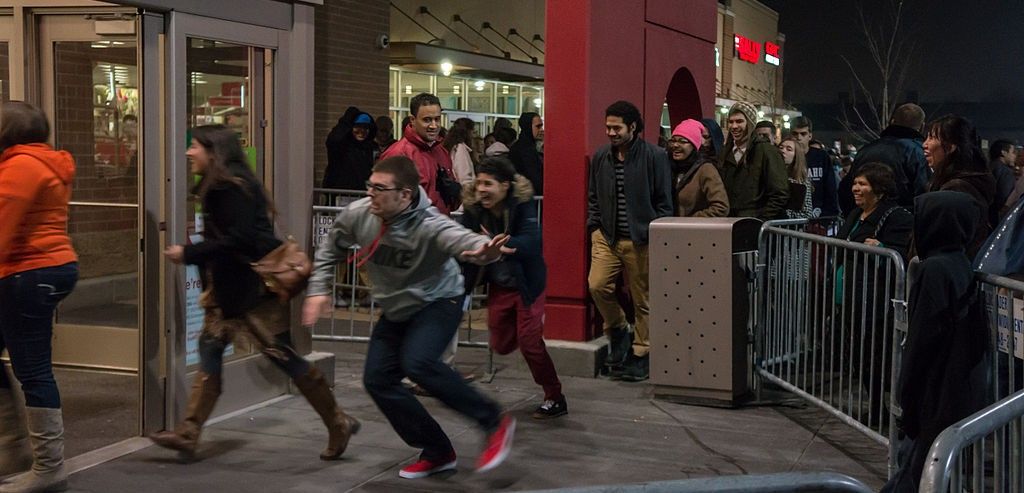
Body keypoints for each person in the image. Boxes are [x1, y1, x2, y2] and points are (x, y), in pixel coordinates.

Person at [150, 125, 360, 463]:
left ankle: (338, 422)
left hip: (252, 293)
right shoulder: (225, 183)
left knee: (285, 357)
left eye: (195, 147)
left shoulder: (231, 187)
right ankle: (188, 432)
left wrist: (188, 254)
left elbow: (241, 239)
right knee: (210, 349)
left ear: (214, 150)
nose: (189, 153)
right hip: (230, 292)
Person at [302, 156, 515, 479]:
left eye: (380, 188)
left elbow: (463, 240)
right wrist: (318, 290)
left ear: (404, 194)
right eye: (369, 185)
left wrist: (486, 250)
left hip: (439, 300)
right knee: (377, 379)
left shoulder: (430, 223)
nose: (371, 193)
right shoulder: (359, 214)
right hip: (398, 306)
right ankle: (438, 451)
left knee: (419, 363)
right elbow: (331, 249)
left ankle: (493, 421)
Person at [882, 191, 989, 493]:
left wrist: (907, 396)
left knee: (915, 475)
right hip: (956, 388)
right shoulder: (960, 263)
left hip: (935, 392)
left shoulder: (933, 270)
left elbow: (921, 342)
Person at [0, 101, 79, 493]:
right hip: (41, 269)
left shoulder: (21, 166)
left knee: (33, 370)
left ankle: (49, 467)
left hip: (28, 272)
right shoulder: (42, 161)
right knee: (28, 367)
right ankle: (12, 450)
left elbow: (2, 227)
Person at [460, 157, 567, 418]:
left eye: (488, 184)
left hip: (527, 284)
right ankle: (523, 333)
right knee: (501, 343)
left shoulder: (521, 203)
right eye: (479, 183)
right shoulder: (473, 209)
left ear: (505, 186)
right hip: (499, 284)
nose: (481, 189)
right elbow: (463, 242)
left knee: (530, 342)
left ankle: (555, 396)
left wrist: (507, 247)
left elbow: (533, 240)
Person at [587, 100, 673, 382]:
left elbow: (664, 201)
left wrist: (654, 232)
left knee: (643, 300)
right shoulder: (602, 157)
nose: (611, 133)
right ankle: (618, 330)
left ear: (632, 127)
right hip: (607, 238)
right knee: (597, 285)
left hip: (642, 239)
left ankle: (641, 353)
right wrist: (595, 227)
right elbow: (593, 197)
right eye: (608, 127)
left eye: (616, 128)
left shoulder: (655, 156)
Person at [834, 162, 913, 429]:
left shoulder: (896, 217)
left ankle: (889, 409)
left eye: (863, 184)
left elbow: (903, 256)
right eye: (855, 183)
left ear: (878, 189)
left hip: (876, 301)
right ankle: (876, 404)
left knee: (876, 356)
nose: (856, 188)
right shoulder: (856, 213)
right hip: (850, 296)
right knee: (858, 353)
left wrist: (883, 247)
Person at [924, 115, 996, 260]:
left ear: (950, 147)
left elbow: (944, 243)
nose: (924, 144)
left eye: (931, 138)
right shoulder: (955, 182)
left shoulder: (957, 189)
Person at [840, 103, 930, 213]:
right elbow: (924, 194)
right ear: (922, 126)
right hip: (904, 221)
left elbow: (847, 187)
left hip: (866, 219)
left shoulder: (865, 150)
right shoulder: (919, 152)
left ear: (892, 122)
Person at [380, 93, 458, 215]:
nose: (434, 125)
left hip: (439, 228)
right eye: (427, 120)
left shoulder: (441, 152)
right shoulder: (398, 154)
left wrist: (455, 193)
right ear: (413, 120)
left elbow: (451, 203)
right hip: (409, 230)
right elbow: (385, 202)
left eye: (437, 119)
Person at [717, 101, 788, 220]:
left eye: (739, 121)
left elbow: (780, 193)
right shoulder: (725, 152)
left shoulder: (767, 151)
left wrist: (761, 220)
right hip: (728, 222)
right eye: (731, 121)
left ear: (750, 123)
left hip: (753, 223)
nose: (734, 126)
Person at [666, 119, 729, 217]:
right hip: (668, 230)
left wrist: (691, 221)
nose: (675, 145)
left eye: (683, 141)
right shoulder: (669, 167)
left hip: (694, 230)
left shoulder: (705, 169)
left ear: (694, 145)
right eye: (673, 140)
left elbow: (721, 207)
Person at [790, 116, 839, 217]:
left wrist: (829, 214)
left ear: (810, 136)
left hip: (820, 214)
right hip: (795, 216)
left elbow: (830, 188)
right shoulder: (787, 158)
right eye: (795, 134)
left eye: (803, 134)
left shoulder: (821, 156)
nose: (799, 138)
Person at [323, 107, 378, 192]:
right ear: (350, 127)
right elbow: (334, 139)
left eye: (366, 128)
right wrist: (347, 118)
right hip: (340, 194)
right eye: (358, 126)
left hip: (363, 195)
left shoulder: (372, 147)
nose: (362, 131)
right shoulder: (341, 146)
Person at [778, 136, 814, 219]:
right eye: (781, 147)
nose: (783, 151)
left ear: (796, 156)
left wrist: (784, 214)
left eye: (789, 149)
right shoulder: (770, 176)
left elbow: (807, 214)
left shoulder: (801, 182)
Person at [509, 112, 544, 195]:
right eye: (538, 127)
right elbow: (534, 176)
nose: (541, 130)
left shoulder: (528, 146)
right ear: (528, 127)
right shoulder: (524, 149)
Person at [988, 139, 1017, 220]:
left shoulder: (987, 167)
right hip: (998, 217)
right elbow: (1004, 197)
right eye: (1012, 152)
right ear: (1003, 152)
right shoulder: (1006, 172)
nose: (1014, 156)